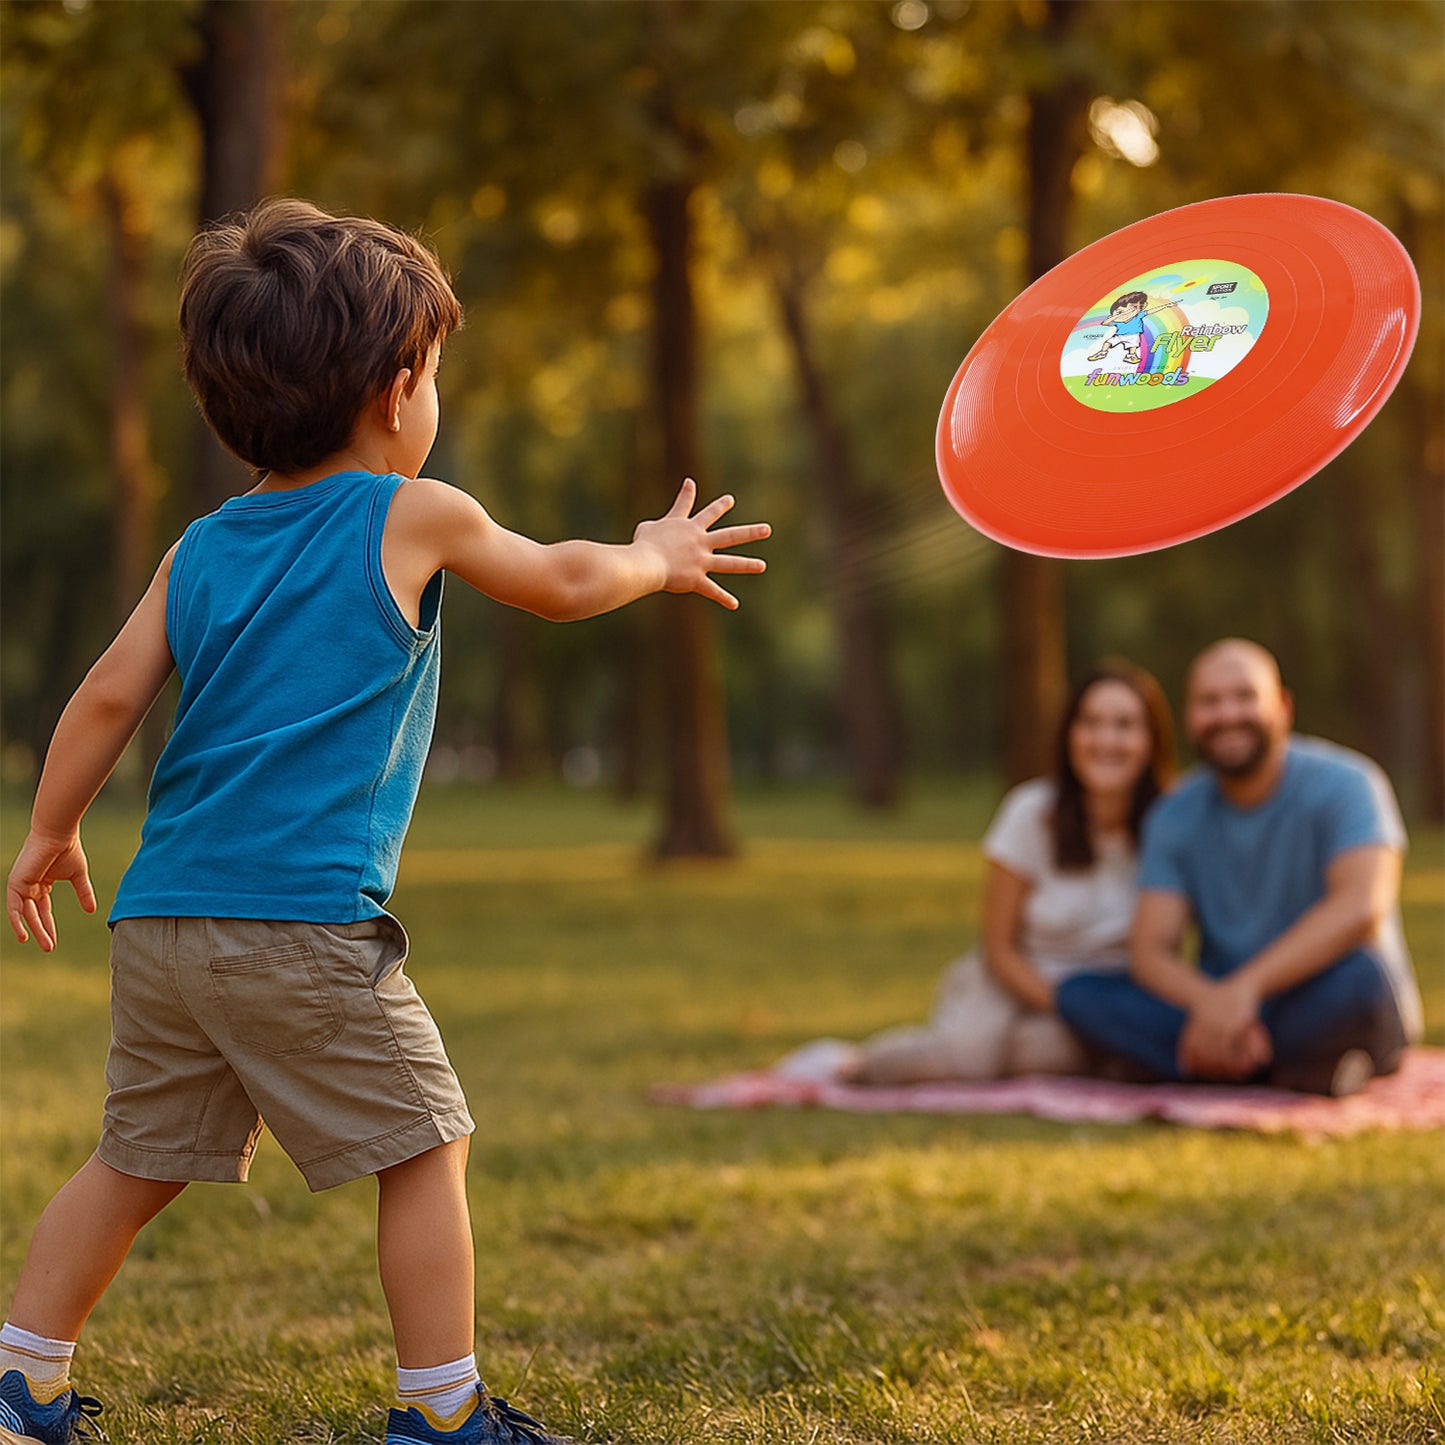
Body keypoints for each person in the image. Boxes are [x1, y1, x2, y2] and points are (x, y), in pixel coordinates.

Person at [0, 199, 770, 1445]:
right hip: (298, 922)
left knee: (132, 1158)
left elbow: (103, 695)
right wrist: (655, 555)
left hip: (161, 921)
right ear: (395, 386)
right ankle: (444, 1411)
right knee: (426, 1146)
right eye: (437, 376)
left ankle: (21, 1381)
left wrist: (48, 831)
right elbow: (565, 581)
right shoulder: (406, 513)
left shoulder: (199, 547)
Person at [1056, 639, 1422, 1097]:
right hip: (1216, 1004)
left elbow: (1360, 908)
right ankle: (1298, 1067)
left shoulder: (1349, 783)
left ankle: (1206, 1063)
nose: (1228, 714)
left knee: (1363, 978)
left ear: (1283, 706)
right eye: (1210, 702)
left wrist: (1244, 991)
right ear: (1189, 717)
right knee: (1081, 994)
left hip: (1322, 994)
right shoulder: (1175, 813)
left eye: (1245, 697)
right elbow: (1150, 952)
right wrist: (1212, 1003)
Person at [792, 663, 1174, 1087]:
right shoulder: (1031, 812)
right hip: (1011, 983)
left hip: (1112, 996)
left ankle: (1065, 1052)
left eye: (1125, 725)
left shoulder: (1174, 824)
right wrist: (1070, 1007)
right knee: (968, 1061)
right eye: (1091, 723)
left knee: (1049, 1052)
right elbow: (998, 948)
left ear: (1151, 740)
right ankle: (850, 1064)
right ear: (1070, 735)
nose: (1107, 740)